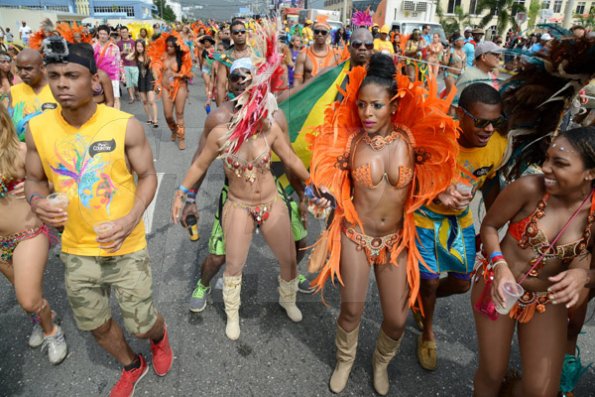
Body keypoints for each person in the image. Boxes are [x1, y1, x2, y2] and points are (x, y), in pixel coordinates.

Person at [25, 41, 173, 396]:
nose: (62, 84)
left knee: (141, 323)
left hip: (125, 244)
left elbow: (148, 176)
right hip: (76, 249)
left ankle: (159, 338)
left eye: (72, 76)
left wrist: (132, 218)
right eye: (55, 76)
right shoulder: (37, 129)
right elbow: (34, 179)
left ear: (94, 80)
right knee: (95, 323)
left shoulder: (124, 126)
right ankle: (131, 366)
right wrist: (36, 201)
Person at [308, 53, 459, 396]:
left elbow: (431, 181)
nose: (367, 114)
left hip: (395, 241)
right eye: (361, 106)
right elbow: (330, 185)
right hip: (355, 237)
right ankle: (344, 360)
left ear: (393, 105)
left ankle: (380, 363)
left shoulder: (413, 142)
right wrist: (322, 198)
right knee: (351, 311)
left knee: (396, 318)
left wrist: (444, 194)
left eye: (376, 106)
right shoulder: (350, 142)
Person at [171, 30, 314, 341]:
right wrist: (184, 194)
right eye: (237, 79)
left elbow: (291, 161)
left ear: (258, 83)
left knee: (290, 257)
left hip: (271, 201)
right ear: (231, 84)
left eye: (249, 78)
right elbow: (198, 162)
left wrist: (312, 190)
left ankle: (287, 300)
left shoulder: (272, 123)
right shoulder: (220, 126)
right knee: (230, 262)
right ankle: (230, 313)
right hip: (236, 202)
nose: (244, 84)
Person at [473, 127, 595, 397]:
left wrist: (583, 277)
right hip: (498, 285)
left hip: (544, 300)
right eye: (548, 158)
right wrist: (500, 266)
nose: (546, 168)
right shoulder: (528, 188)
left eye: (559, 163)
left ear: (591, 173)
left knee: (542, 392)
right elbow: (490, 226)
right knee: (492, 375)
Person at [414, 83, 508, 371]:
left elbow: (491, 181)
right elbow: (406, 177)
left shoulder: (498, 146)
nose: (488, 130)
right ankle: (427, 331)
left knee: (461, 283)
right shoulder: (433, 138)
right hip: (424, 218)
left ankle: (419, 300)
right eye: (481, 122)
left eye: (496, 122)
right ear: (459, 114)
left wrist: (494, 225)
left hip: (460, 222)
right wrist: (436, 191)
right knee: (430, 280)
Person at [0, 104, 68, 365]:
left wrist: (36, 188)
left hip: (27, 234)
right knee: (23, 294)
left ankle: (53, 332)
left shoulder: (18, 152)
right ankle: (44, 320)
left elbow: (57, 179)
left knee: (28, 298)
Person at [148, 32, 192, 150]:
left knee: (179, 113)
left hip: (180, 86)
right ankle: (174, 129)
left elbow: (188, 74)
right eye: (168, 46)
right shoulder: (161, 56)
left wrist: (177, 74)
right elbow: (155, 70)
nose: (169, 48)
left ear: (176, 46)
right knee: (167, 115)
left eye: (172, 46)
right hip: (165, 87)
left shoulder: (182, 57)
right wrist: (156, 86)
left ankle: (181, 138)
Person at [7, 48, 57, 142]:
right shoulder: (13, 91)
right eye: (19, 69)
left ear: (42, 67)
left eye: (28, 69)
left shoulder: (58, 90)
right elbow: (9, 125)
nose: (23, 73)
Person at [293, 19, 341, 86]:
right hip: (308, 94)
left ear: (328, 35)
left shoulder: (336, 55)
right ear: (313, 33)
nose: (320, 34)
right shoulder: (303, 54)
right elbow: (297, 82)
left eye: (323, 32)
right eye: (317, 32)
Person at [215, 20, 252, 106]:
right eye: (236, 32)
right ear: (231, 35)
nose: (240, 34)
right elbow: (221, 85)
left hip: (253, 99)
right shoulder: (225, 57)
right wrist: (220, 109)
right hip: (233, 101)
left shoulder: (256, 54)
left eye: (242, 32)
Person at [454, 41, 503, 106]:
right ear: (483, 57)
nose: (498, 58)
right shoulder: (469, 75)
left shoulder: (489, 75)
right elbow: (454, 103)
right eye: (495, 55)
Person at [93, 25, 121, 109]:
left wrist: (121, 75)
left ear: (108, 35)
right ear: (98, 34)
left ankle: (117, 119)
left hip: (113, 76)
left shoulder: (114, 47)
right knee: (103, 98)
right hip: (99, 77)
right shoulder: (93, 47)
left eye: (104, 34)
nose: (102, 36)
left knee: (115, 98)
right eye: (101, 33)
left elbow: (118, 62)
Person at [134, 40, 157, 127]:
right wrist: (133, 51)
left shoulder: (149, 56)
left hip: (149, 79)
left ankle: (155, 119)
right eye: (137, 46)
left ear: (144, 47)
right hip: (141, 80)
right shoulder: (135, 56)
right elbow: (127, 57)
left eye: (140, 46)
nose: (139, 48)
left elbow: (154, 68)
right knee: (144, 101)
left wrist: (157, 81)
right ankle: (149, 118)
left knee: (151, 101)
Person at [118, 26, 138, 104]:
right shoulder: (119, 43)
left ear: (128, 32)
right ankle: (131, 97)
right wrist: (123, 52)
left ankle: (136, 91)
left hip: (134, 64)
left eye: (125, 32)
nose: (124, 34)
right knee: (128, 81)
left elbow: (138, 52)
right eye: (122, 32)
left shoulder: (133, 42)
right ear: (120, 33)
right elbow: (116, 54)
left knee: (136, 81)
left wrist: (133, 52)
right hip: (124, 65)